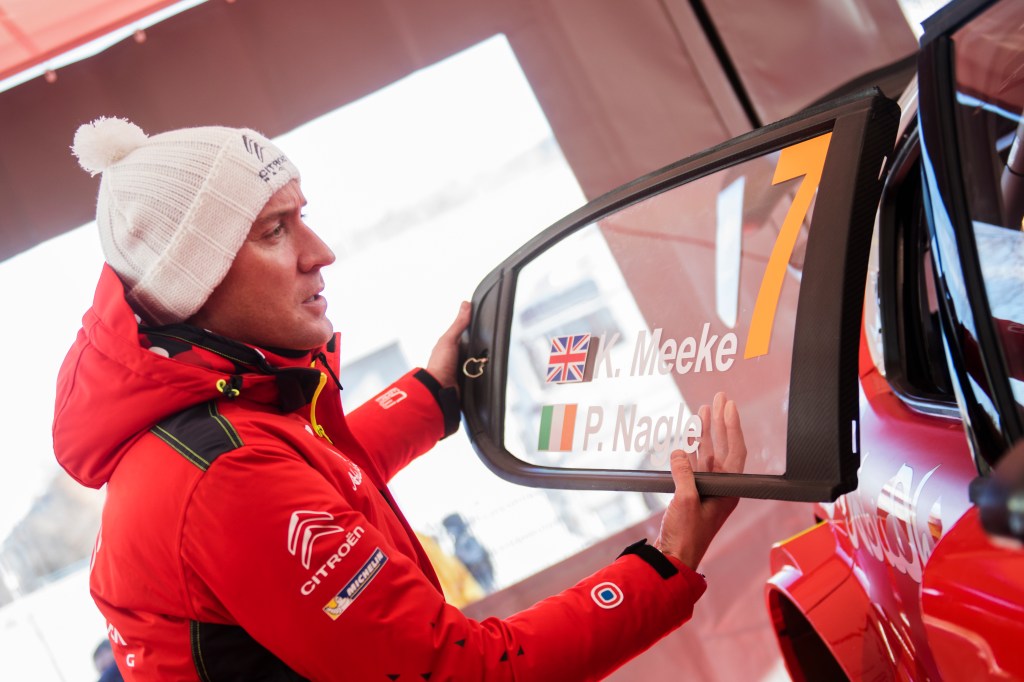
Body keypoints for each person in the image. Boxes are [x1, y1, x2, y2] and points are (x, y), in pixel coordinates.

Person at [54, 117, 747, 681]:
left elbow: (315, 475)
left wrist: (432, 394)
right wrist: (667, 561)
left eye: (302, 217)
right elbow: (467, 674)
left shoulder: (206, 437)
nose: (319, 251)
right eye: (274, 230)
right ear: (192, 284)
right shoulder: (224, 477)